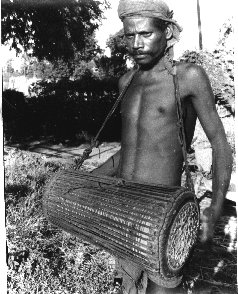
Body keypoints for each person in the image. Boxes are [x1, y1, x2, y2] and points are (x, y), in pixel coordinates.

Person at [92, 0, 232, 293]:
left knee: (161, 290)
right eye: (129, 36)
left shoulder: (188, 77)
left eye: (145, 34)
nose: (136, 43)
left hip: (164, 214)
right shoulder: (126, 82)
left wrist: (214, 209)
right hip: (125, 209)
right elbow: (128, 152)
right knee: (127, 287)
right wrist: (87, 180)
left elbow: (220, 145)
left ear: (166, 33)